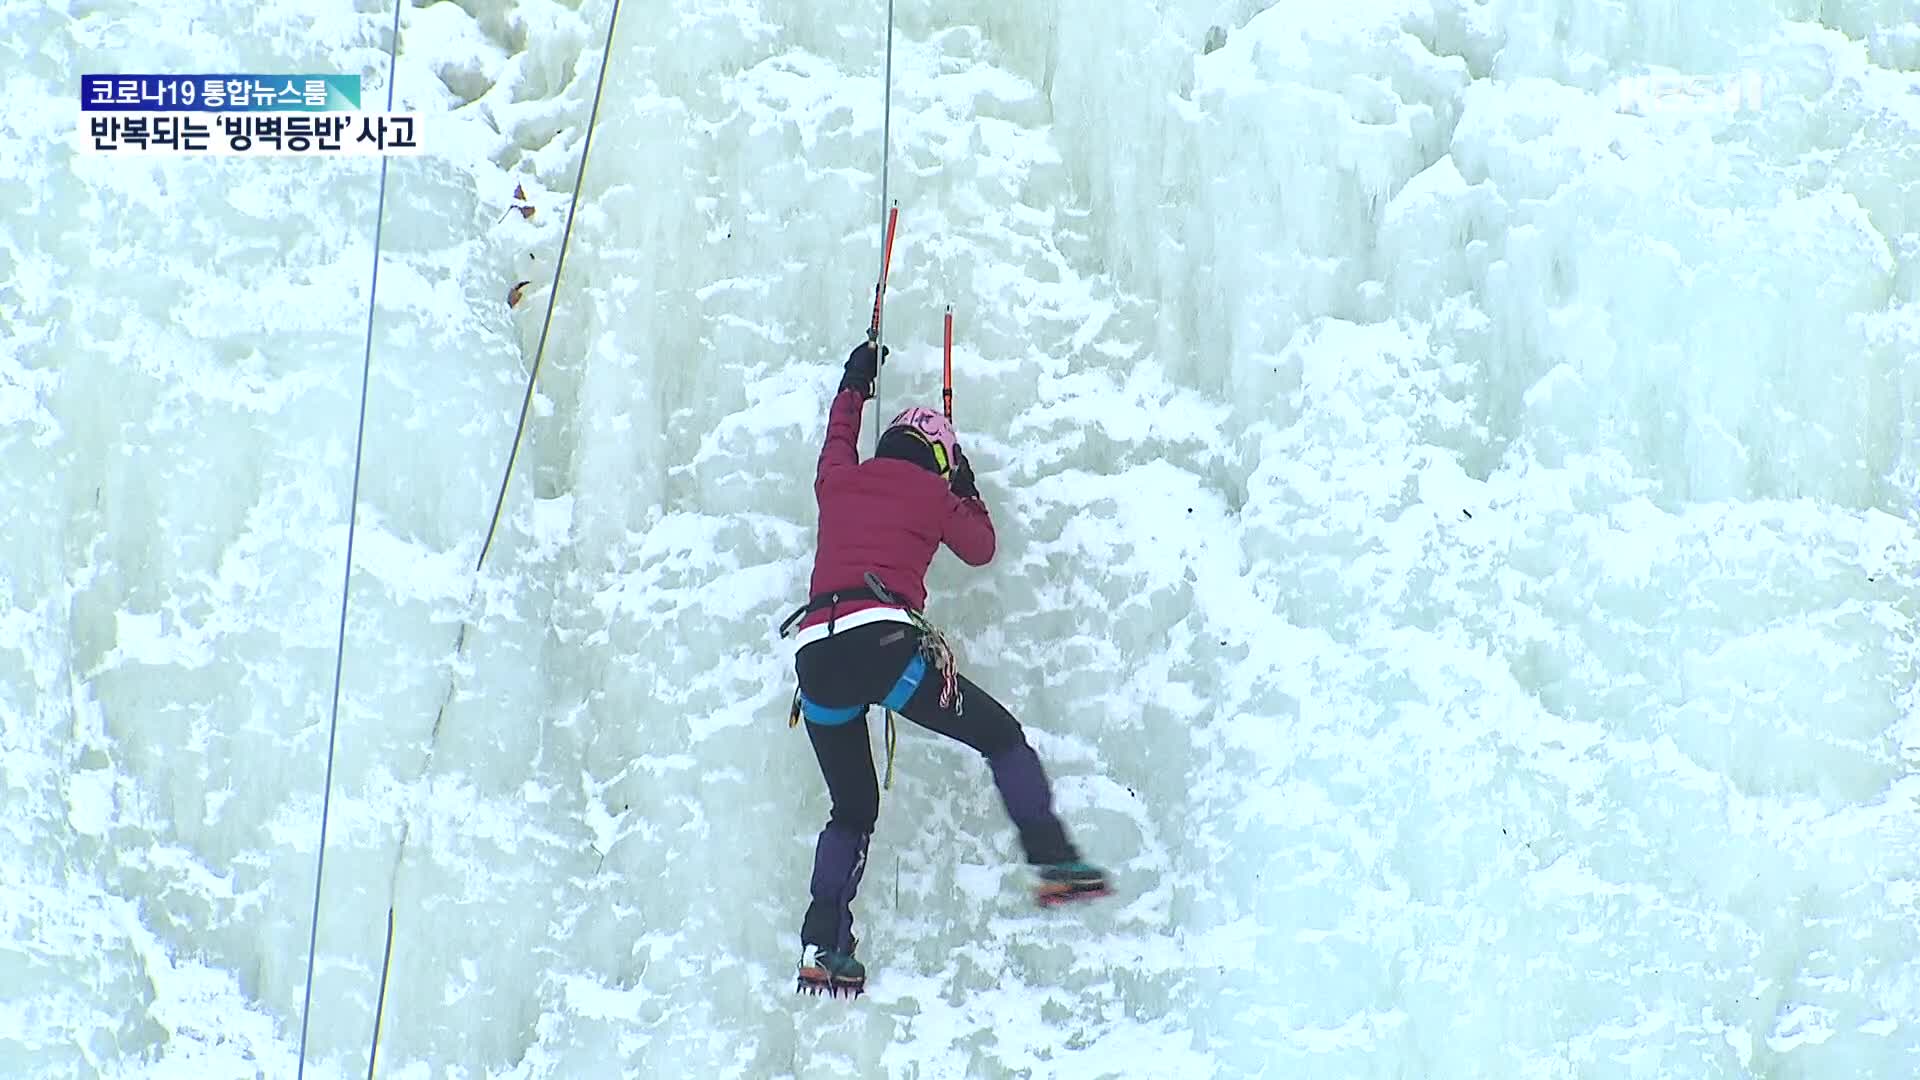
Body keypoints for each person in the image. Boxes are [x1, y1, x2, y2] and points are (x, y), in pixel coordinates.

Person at [780, 340, 1111, 998]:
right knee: (1001, 737)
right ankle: (1053, 861)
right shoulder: (935, 493)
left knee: (851, 810)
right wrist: (963, 485)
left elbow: (837, 432)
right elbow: (982, 547)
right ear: (937, 460)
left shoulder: (839, 479)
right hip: (885, 651)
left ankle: (825, 942)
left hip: (818, 658)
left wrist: (855, 381)